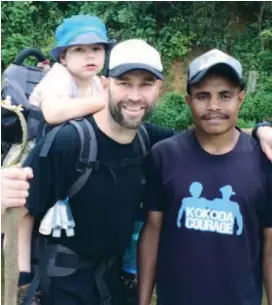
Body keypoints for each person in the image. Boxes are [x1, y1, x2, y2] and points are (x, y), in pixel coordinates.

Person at [138, 49, 272, 305]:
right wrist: (143, 301)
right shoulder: (164, 156)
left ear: (240, 99)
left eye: (225, 96)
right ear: (188, 101)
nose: (213, 106)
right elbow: (153, 229)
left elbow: (270, 244)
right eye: (202, 96)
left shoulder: (263, 162)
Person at [29, 14, 115, 124]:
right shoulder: (59, 76)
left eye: (96, 49)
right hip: (44, 138)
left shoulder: (95, 81)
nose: (90, 56)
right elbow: (53, 113)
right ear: (63, 58)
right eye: (79, 49)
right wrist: (105, 101)